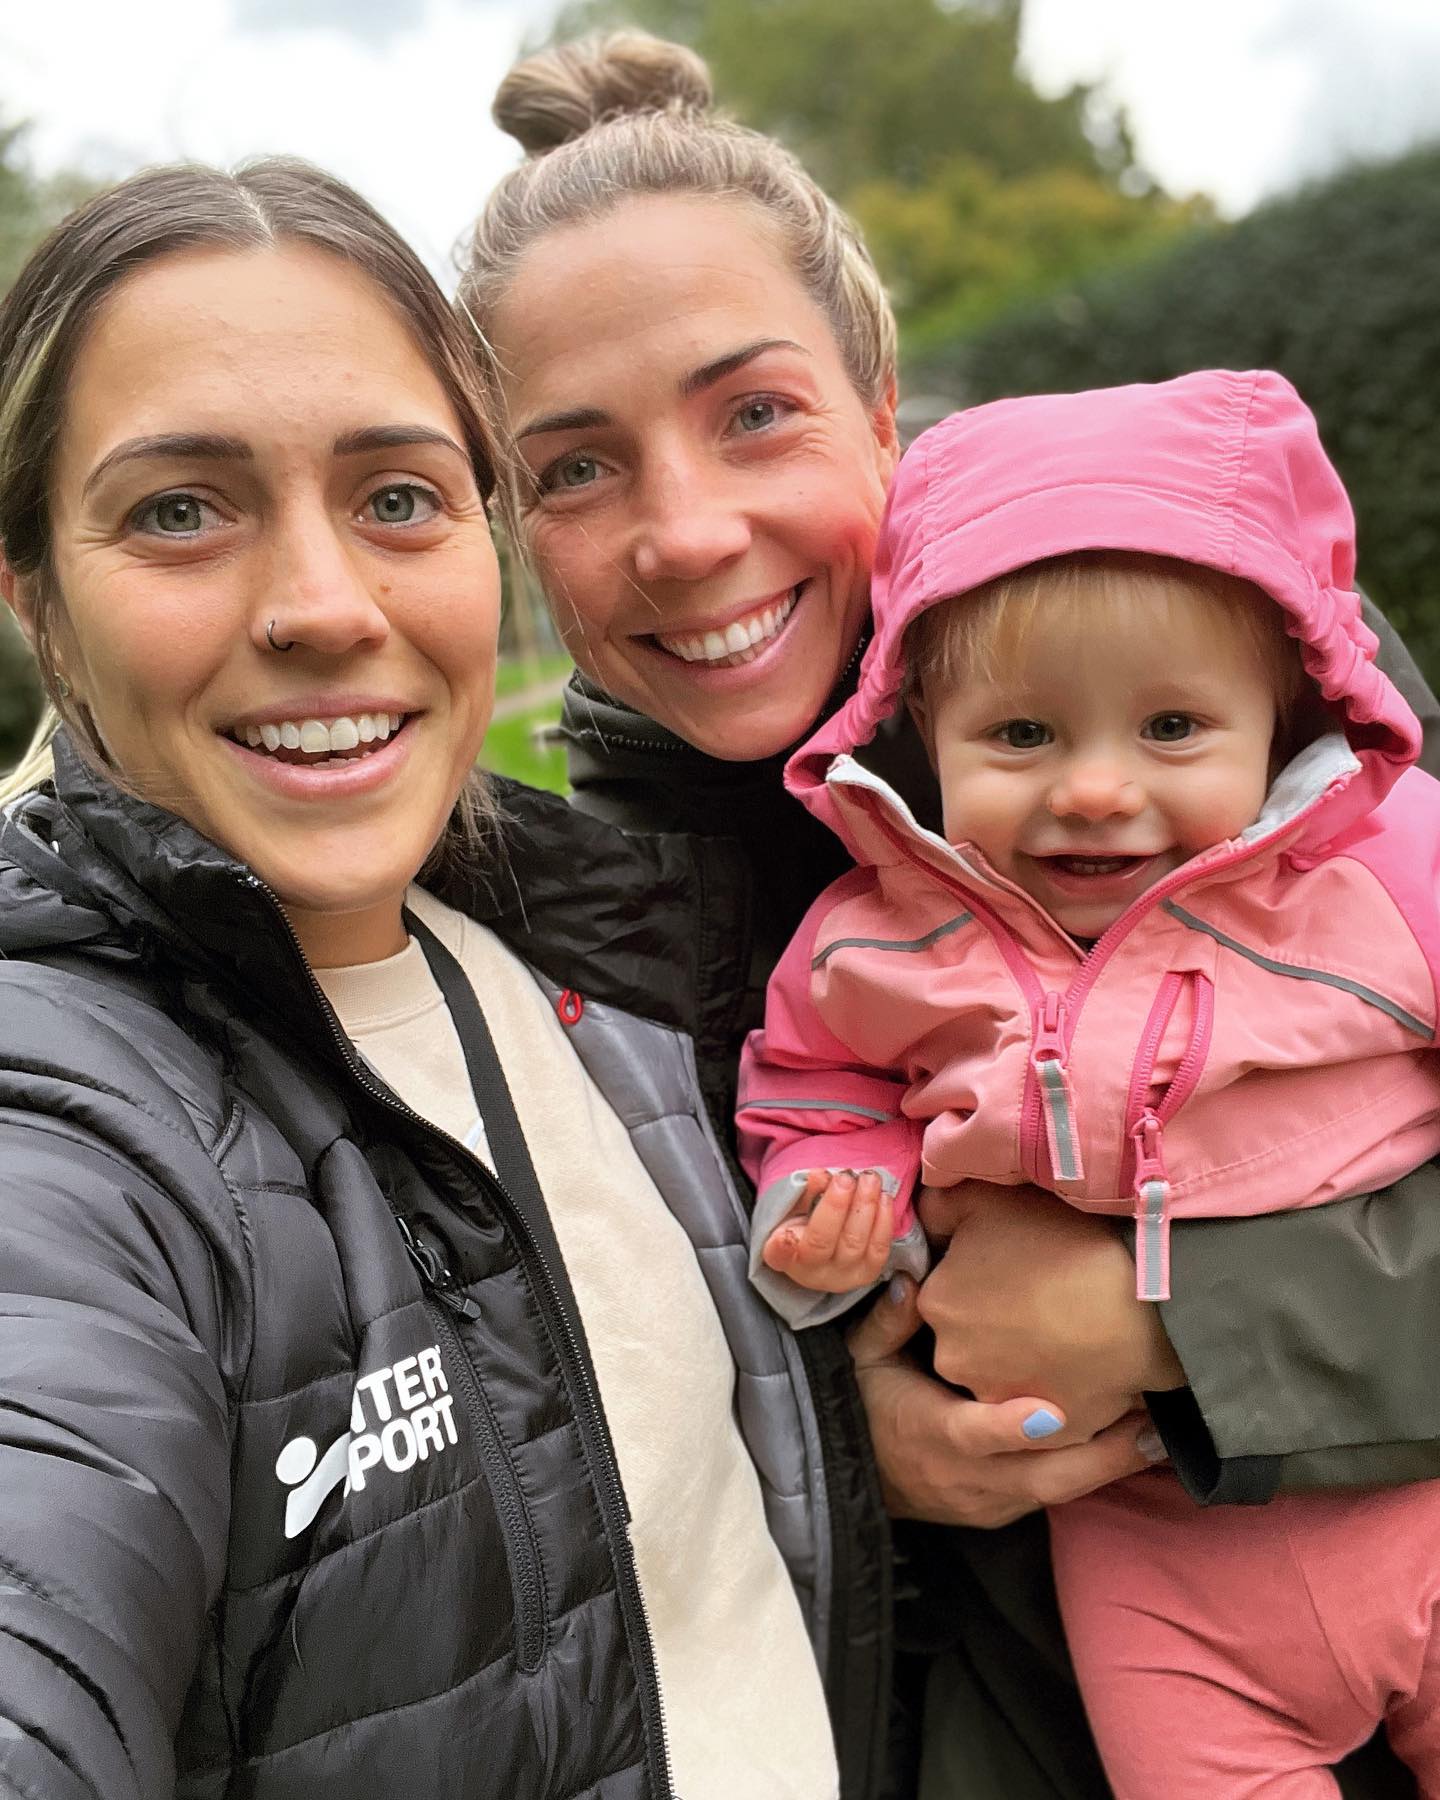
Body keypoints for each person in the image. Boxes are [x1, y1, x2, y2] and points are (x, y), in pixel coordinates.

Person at [462, 30, 1440, 1800]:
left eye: (752, 412)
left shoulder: (1258, 709)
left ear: (880, 400)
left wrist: (1173, 1328)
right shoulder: (557, 931)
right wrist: (851, 1444)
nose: (684, 533)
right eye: (577, 469)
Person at [0, 157, 879, 1799]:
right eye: (179, 509)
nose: (324, 609)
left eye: (396, 496)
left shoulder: (612, 960)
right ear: (34, 592)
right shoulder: (63, 1110)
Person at [738, 369, 1440, 1791]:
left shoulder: (1378, 873)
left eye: (1173, 730)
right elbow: (818, 1086)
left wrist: (1170, 1320)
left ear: (1284, 713)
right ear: (923, 735)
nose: (1097, 789)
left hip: (1411, 1489)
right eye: (1024, 737)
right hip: (1148, 1563)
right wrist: (830, 1196)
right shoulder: (882, 935)